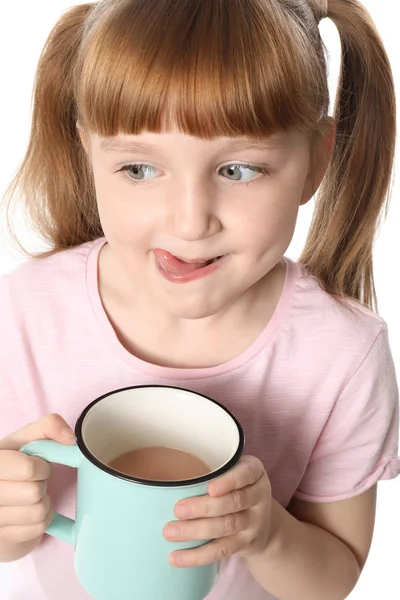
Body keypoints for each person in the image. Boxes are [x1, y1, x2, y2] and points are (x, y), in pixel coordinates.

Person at [0, 0, 399, 598]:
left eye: (239, 170)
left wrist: (268, 534)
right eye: (138, 168)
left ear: (316, 160)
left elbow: (333, 577)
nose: (190, 223)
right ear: (88, 151)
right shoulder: (25, 313)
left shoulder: (343, 354)